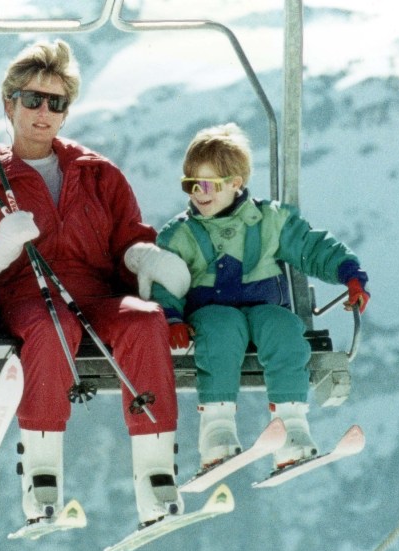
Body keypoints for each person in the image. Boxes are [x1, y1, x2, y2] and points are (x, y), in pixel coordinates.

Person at [0, 40, 191, 527]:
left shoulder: (97, 173)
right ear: (9, 103)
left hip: (97, 294)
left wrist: (143, 256)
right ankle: (41, 476)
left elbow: (129, 235)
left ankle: (157, 474)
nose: (44, 112)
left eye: (56, 102)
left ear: (67, 112)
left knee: (145, 321)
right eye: (32, 100)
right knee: (49, 327)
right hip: (26, 294)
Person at [150, 122, 370, 471]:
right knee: (221, 330)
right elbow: (164, 280)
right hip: (210, 312)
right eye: (189, 185)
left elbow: (311, 246)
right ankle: (217, 431)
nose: (197, 194)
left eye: (206, 185)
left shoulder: (269, 220)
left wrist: (349, 274)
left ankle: (293, 426)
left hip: (265, 308)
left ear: (235, 183)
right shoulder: (182, 234)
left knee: (285, 329)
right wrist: (172, 318)